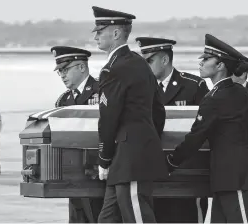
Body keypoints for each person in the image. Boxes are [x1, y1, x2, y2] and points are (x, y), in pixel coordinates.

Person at [92, 6, 167, 223]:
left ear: (115, 33)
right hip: (131, 156)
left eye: (100, 30)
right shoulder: (139, 63)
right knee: (108, 218)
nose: (96, 35)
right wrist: (148, 140)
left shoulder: (114, 69)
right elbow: (158, 111)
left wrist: (103, 159)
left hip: (128, 159)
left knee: (138, 217)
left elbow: (108, 118)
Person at [166, 34, 248, 223]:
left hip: (233, 177)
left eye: (206, 59)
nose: (201, 63)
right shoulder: (240, 92)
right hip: (230, 176)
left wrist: (171, 161)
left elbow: (196, 136)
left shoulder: (215, 98)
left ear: (220, 66)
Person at [136, 36, 210, 223]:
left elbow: (204, 129)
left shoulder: (193, 86)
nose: (146, 67)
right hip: (152, 171)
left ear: (165, 59)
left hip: (187, 172)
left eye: (149, 61)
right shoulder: (140, 88)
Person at [51, 46, 101, 223]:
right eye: (60, 72)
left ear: (81, 67)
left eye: (66, 69)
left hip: (98, 172)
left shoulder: (101, 91)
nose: (62, 75)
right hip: (73, 173)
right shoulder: (63, 100)